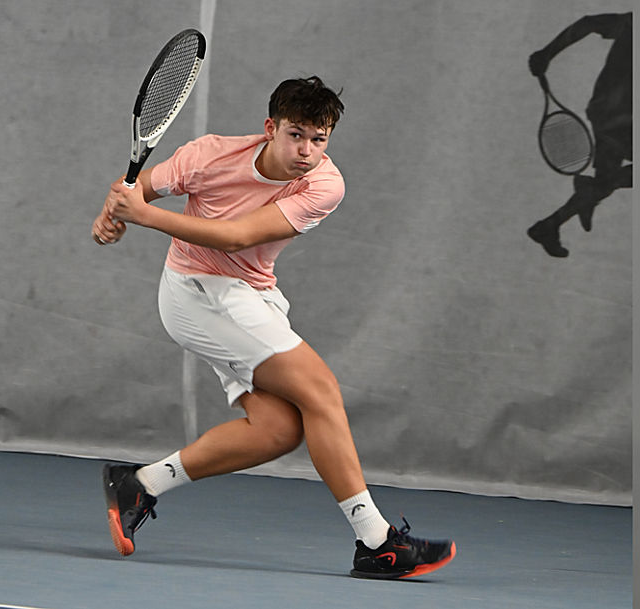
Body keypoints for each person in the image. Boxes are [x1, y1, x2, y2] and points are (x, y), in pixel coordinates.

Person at [90, 76, 455, 579]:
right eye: (297, 135)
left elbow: (238, 237)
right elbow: (134, 188)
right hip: (196, 291)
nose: (307, 150)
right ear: (271, 128)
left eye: (319, 139)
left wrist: (143, 216)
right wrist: (110, 212)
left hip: (250, 296)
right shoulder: (208, 155)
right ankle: (377, 542)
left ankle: (142, 483)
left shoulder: (325, 184)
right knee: (321, 390)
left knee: (278, 431)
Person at [525, 12, 633, 258]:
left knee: (604, 184)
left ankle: (550, 225)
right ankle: (592, 191)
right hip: (623, 120)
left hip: (606, 112)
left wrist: (547, 53)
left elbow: (589, 23)